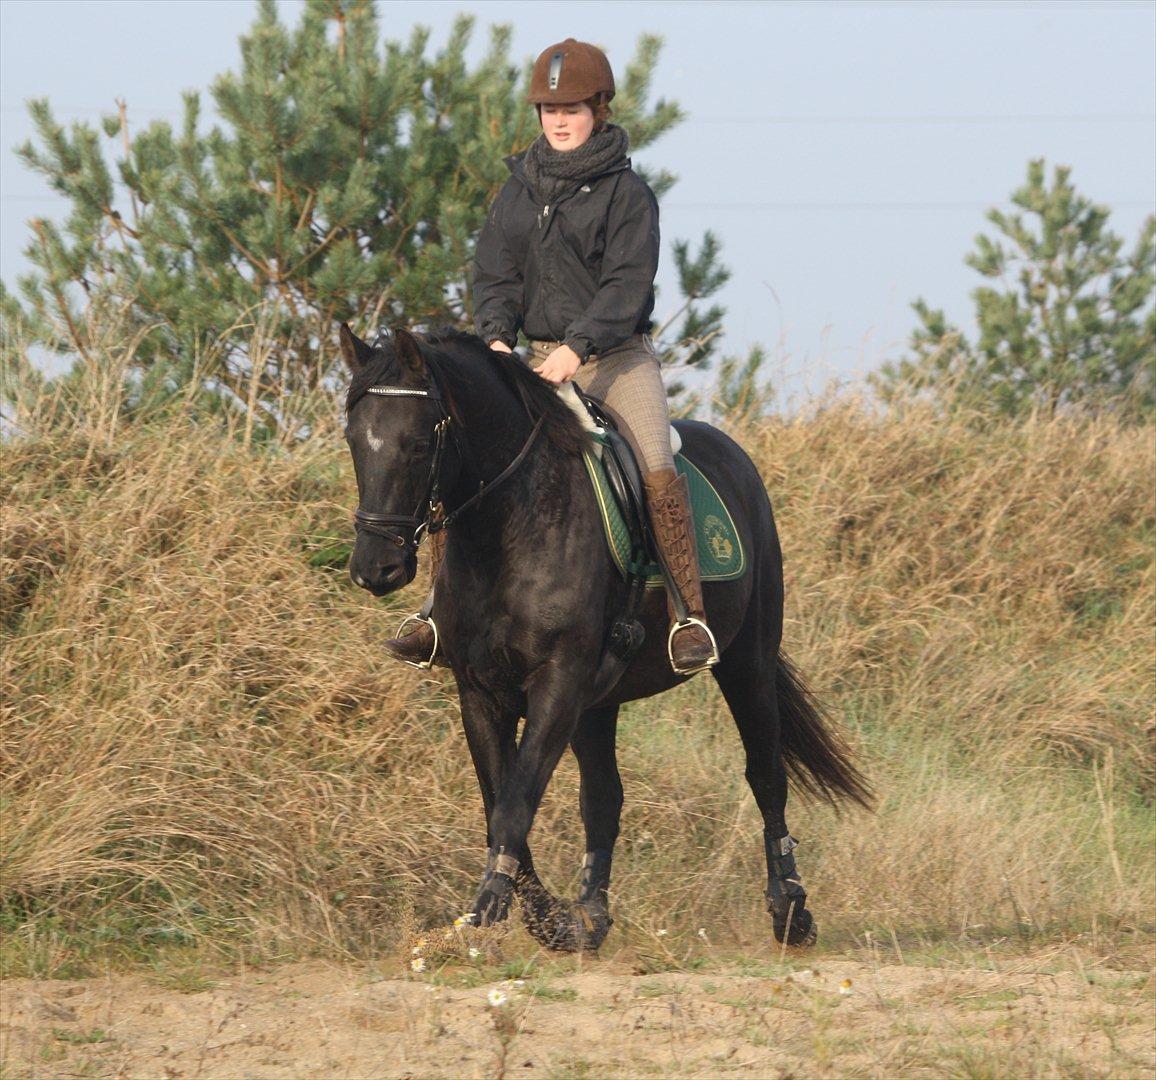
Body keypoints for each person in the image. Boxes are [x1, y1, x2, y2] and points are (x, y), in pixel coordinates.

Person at [386, 37, 718, 676]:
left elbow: (627, 287)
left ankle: (687, 614)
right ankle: (436, 615)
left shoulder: (628, 195)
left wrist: (577, 348)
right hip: (526, 361)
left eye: (573, 108)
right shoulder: (515, 193)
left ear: (599, 108)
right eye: (548, 110)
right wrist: (495, 339)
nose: (559, 120)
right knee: (463, 453)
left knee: (653, 455)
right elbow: (494, 275)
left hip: (616, 360)